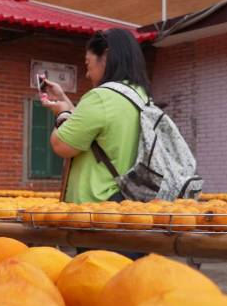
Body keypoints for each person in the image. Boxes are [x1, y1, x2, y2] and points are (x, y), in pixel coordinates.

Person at [39, 28, 151, 204]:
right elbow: (90, 128)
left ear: (105, 57)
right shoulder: (140, 96)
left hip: (94, 207)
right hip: (124, 204)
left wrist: (62, 113)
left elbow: (61, 144)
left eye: (88, 64)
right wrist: (62, 98)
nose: (87, 73)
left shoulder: (101, 96)